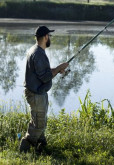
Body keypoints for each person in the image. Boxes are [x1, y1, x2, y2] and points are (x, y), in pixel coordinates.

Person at [19, 25, 69, 153]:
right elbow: (45, 77)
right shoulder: (39, 54)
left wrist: (57, 70)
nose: (50, 38)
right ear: (46, 37)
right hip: (36, 94)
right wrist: (58, 68)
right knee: (39, 123)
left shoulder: (35, 50)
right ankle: (25, 146)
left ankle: (41, 146)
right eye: (49, 36)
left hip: (37, 92)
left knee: (39, 120)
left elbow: (42, 73)